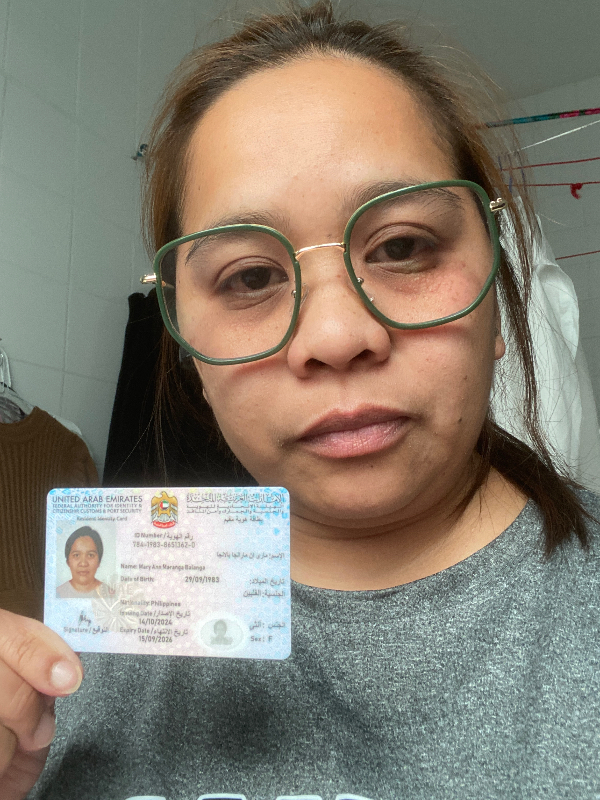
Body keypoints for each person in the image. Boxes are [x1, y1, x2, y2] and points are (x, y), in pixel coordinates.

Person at [0, 3, 598, 799]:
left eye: (403, 246)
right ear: (189, 352)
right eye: (250, 276)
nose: (337, 335)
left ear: (497, 290)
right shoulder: (82, 651)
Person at [55, 527, 109, 599]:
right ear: (68, 561)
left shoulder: (111, 594)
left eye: (90, 555)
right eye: (76, 555)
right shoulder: (57, 594)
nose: (83, 563)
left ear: (99, 561)